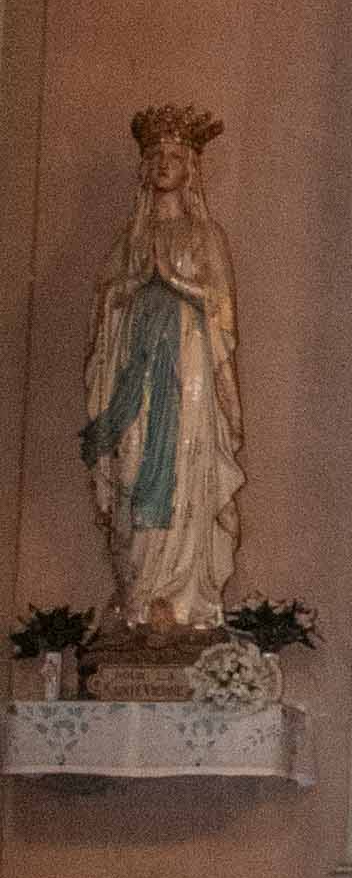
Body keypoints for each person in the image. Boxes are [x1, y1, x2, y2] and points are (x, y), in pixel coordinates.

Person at [79, 105, 245, 640]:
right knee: (131, 466)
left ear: (190, 168)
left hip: (187, 376)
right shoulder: (130, 238)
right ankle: (137, 598)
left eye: (175, 156)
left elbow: (220, 308)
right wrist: (132, 285)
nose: (163, 164)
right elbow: (105, 305)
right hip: (135, 379)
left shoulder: (206, 234)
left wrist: (174, 281)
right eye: (155, 156)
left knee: (182, 474)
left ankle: (181, 601)